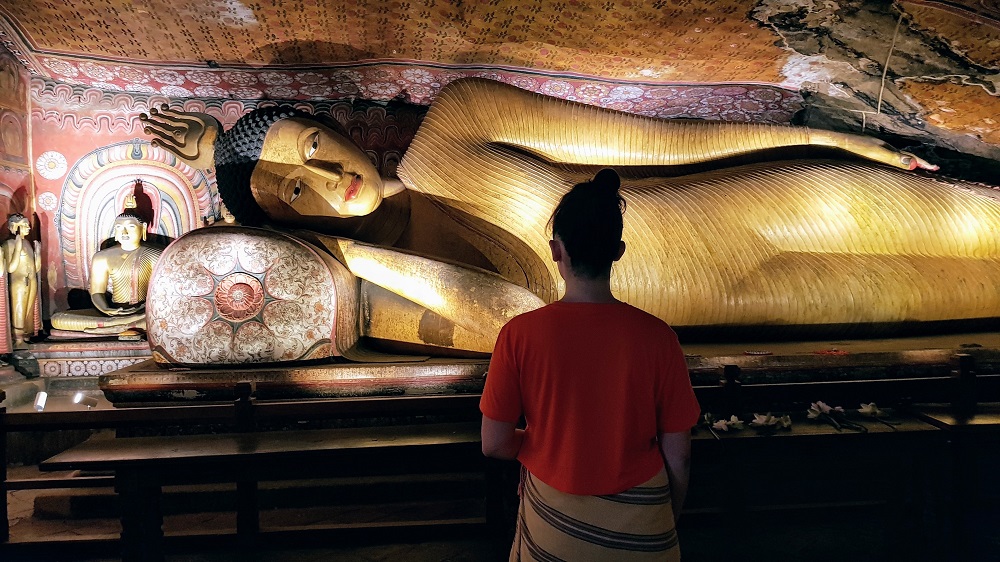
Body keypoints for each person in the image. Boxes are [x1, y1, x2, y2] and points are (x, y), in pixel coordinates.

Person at [139, 77, 1000, 351]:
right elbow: (519, 319)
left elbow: (664, 142)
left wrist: (842, 146)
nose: (329, 178)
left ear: (341, 128)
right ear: (293, 231)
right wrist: (350, 257)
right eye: (299, 194)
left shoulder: (459, 122)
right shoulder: (398, 297)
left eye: (317, 145)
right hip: (750, 299)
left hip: (783, 204)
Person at [480, 169, 700, 560]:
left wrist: (545, 445)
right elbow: (679, 455)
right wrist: (666, 519)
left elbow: (495, 443)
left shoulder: (519, 335)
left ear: (555, 249)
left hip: (555, 523)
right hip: (643, 523)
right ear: (618, 252)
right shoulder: (658, 337)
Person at [50, 196, 163, 335]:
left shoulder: (155, 255)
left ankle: (117, 326)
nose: (124, 233)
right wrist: (106, 309)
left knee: (160, 319)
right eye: (119, 228)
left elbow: (165, 293)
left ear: (143, 228)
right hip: (113, 313)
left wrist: (145, 309)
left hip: (144, 313)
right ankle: (121, 326)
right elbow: (97, 292)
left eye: (131, 227)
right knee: (58, 319)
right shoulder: (102, 257)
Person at [2, 213, 39, 347]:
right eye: (24, 225)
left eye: (28, 224)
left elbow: (36, 267)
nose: (28, 227)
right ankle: (18, 339)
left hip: (31, 280)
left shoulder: (28, 243)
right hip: (18, 283)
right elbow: (10, 268)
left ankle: (26, 334)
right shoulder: (9, 244)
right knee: (19, 309)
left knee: (28, 310)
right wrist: (17, 249)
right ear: (14, 227)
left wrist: (38, 254)